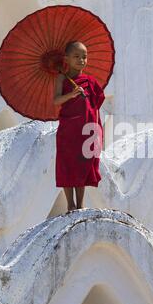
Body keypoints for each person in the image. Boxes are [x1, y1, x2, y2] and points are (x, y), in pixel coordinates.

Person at [53, 41, 105, 212]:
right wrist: (72, 94)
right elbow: (56, 101)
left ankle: (81, 202)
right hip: (68, 129)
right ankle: (70, 203)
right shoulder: (61, 78)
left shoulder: (90, 81)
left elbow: (96, 104)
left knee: (82, 164)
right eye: (76, 56)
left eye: (84, 57)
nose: (81, 60)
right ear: (66, 59)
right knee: (67, 164)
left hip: (86, 130)